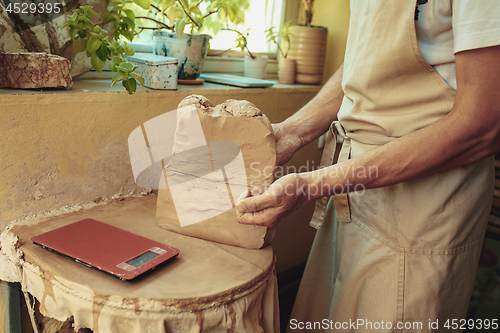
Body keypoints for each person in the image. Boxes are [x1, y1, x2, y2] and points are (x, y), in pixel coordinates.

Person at [236, 0, 500, 332]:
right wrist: (292, 132)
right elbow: (368, 58)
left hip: (424, 209)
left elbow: (482, 125)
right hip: (349, 184)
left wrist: (311, 185)